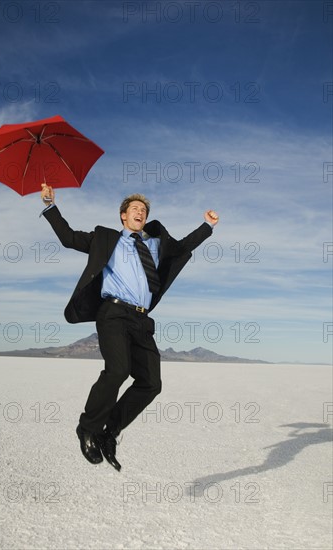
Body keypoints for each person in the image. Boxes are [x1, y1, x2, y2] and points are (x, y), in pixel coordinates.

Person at [40, 184, 219, 471]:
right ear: (123, 216)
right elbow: (68, 238)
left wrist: (207, 226)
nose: (141, 212)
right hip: (113, 313)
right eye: (135, 209)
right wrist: (50, 206)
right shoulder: (105, 238)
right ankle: (88, 427)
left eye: (144, 210)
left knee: (151, 383)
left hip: (141, 319)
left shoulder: (155, 244)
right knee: (118, 370)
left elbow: (183, 246)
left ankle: (109, 432)